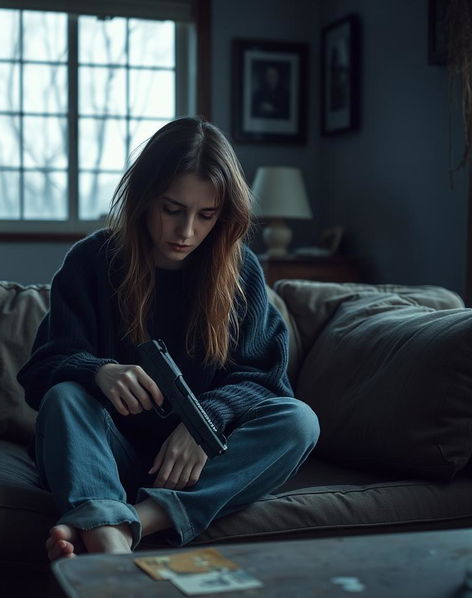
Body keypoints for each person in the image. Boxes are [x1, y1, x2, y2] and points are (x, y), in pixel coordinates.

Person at [17, 117, 319, 560]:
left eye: (206, 215)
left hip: (196, 466)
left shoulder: (242, 273)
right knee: (65, 397)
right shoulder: (91, 261)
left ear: (225, 214)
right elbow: (40, 372)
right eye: (172, 210)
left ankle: (127, 522)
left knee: (299, 421)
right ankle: (106, 528)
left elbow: (267, 382)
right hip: (104, 454)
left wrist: (204, 422)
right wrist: (98, 372)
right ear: (144, 199)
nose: (186, 231)